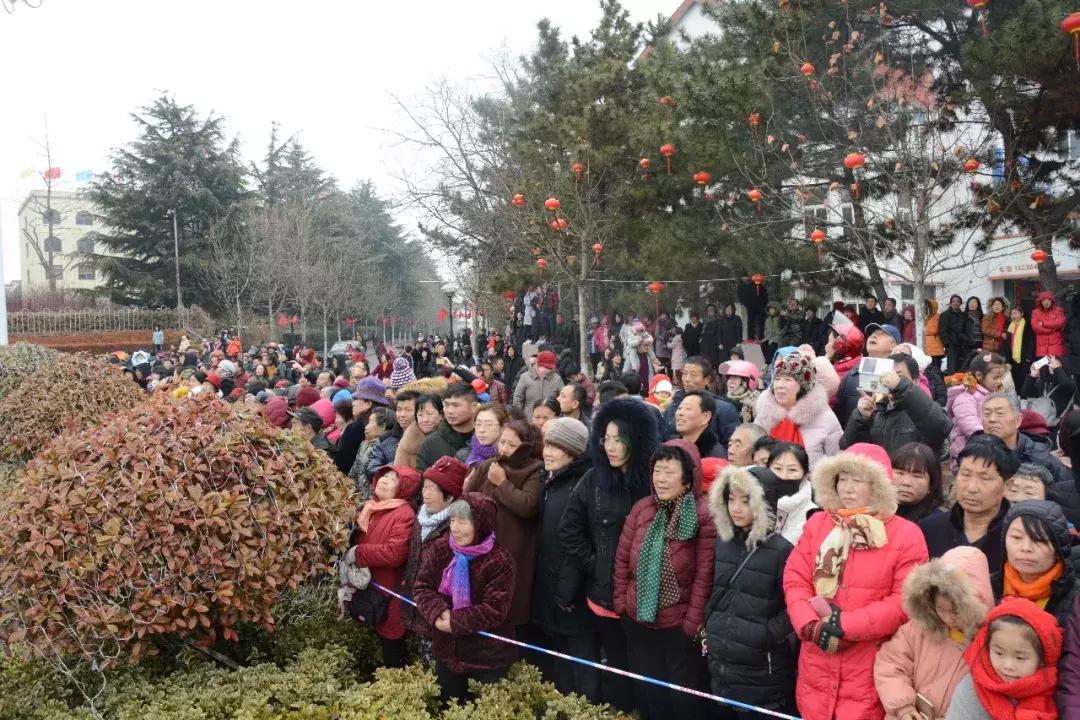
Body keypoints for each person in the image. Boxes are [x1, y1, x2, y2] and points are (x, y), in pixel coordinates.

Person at [783, 443, 929, 720]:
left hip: (868, 662)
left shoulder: (906, 534)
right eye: (842, 479)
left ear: (877, 485)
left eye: (857, 480)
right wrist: (809, 624)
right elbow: (796, 577)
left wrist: (847, 626)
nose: (847, 488)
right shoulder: (819, 524)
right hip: (817, 656)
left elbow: (905, 600)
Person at [557, 397, 660, 711]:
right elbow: (569, 529)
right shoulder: (593, 480)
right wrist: (596, 564)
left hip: (645, 599)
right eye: (606, 439)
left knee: (646, 669)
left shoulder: (656, 482)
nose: (611, 447)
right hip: (603, 596)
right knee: (616, 664)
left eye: (620, 439)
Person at [613, 440, 716, 719]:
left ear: (688, 478)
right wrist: (622, 605)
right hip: (639, 621)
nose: (661, 479)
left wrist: (691, 624)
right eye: (657, 471)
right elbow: (622, 560)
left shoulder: (703, 515)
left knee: (682, 700)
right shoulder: (642, 508)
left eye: (669, 472)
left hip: (678, 626)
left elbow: (704, 576)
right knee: (650, 695)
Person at [705, 465, 796, 718]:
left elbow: (795, 607)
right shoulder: (722, 542)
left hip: (762, 671)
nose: (736, 508)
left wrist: (764, 635)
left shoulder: (782, 551)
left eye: (746, 500)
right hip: (722, 663)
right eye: (731, 499)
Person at [413, 493, 516, 703]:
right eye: (452, 520)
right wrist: (437, 612)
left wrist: (454, 622)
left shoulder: (499, 560)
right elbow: (422, 586)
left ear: (482, 524)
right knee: (449, 707)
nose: (455, 528)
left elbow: (495, 609)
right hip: (447, 652)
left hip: (487, 658)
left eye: (463, 521)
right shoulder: (442, 548)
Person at [874, 547, 993, 720]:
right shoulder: (917, 629)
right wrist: (904, 707)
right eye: (940, 609)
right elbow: (890, 664)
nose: (948, 618)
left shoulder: (990, 643)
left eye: (956, 611)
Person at [529, 417, 598, 700]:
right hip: (552, 586)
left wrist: (567, 590)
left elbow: (577, 544)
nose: (548, 452)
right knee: (559, 658)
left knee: (581, 659)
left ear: (573, 450)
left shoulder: (582, 484)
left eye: (556, 446)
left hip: (573, 593)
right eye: (547, 444)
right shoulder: (554, 480)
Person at [464, 420, 543, 628]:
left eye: (511, 445)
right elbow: (469, 497)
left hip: (513, 548)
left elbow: (528, 505)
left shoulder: (534, 470)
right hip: (481, 545)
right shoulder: (489, 465)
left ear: (525, 447)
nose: (505, 449)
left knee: (507, 604)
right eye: (503, 442)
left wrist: (502, 484)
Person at [347, 464, 419, 668]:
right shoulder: (371, 507)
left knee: (391, 643)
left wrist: (359, 553)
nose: (384, 480)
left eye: (393, 479)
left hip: (389, 592)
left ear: (404, 488)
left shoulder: (404, 514)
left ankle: (395, 687)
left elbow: (394, 553)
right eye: (383, 476)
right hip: (369, 586)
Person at [943, 597, 1061, 720]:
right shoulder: (971, 692)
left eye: (1020, 657)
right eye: (999, 653)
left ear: (1042, 660)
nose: (1008, 665)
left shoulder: (1056, 694)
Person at [919, 435, 1018, 574]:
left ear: (1008, 485)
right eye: (965, 474)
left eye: (985, 478)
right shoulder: (929, 529)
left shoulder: (1018, 537)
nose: (972, 488)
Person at [401, 456, 466, 665]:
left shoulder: (456, 528)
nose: (425, 494)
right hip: (414, 604)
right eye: (425, 487)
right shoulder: (421, 519)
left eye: (433, 489)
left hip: (439, 611)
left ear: (449, 496)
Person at [841, 353, 953, 456]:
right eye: (887, 376)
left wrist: (900, 386)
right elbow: (848, 450)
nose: (891, 380)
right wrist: (860, 418)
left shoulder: (923, 409)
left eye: (899, 376)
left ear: (916, 381)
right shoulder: (874, 412)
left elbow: (941, 428)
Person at [991, 500, 1080, 627]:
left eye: (1039, 540)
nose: (1026, 548)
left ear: (1059, 547)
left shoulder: (1074, 597)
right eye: (1016, 537)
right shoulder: (990, 587)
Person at [754, 349, 842, 468]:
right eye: (777, 379)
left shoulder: (825, 418)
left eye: (787, 380)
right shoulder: (766, 414)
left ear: (802, 387)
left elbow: (836, 462)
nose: (780, 385)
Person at [980, 392, 1071, 488]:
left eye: (1000, 413)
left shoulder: (1040, 457)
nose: (992, 419)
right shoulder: (973, 454)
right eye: (987, 414)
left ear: (1018, 420)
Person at [834, 322, 900, 428]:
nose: (873, 336)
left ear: (894, 346)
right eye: (872, 333)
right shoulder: (851, 376)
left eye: (881, 334)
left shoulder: (900, 379)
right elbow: (839, 417)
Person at [662, 356, 739, 446]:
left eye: (693, 375)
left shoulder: (723, 409)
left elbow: (731, 445)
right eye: (685, 374)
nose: (687, 379)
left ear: (706, 380)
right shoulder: (674, 404)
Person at [946, 352, 1006, 466]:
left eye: (1000, 378)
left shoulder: (993, 396)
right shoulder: (965, 397)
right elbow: (970, 426)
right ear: (979, 375)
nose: (999, 381)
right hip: (967, 455)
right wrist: (991, 437)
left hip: (988, 450)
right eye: (995, 377)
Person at [417, 384, 477, 473]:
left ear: (473, 407)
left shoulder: (485, 440)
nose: (449, 411)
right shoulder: (430, 443)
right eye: (446, 405)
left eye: (455, 405)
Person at [768, 442, 817, 545]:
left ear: (805, 475)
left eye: (792, 470)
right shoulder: (754, 499)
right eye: (777, 468)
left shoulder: (813, 512)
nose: (783, 476)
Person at [890, 442, 946, 524]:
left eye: (916, 476)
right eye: (900, 473)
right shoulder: (875, 514)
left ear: (931, 484)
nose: (906, 482)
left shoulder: (938, 523)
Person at [395, 391, 444, 469]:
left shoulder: (450, 437)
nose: (425, 420)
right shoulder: (407, 442)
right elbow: (400, 474)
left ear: (441, 414)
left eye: (430, 413)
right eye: (420, 415)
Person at [675, 390, 726, 458]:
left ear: (706, 417)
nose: (680, 413)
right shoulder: (673, 448)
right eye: (679, 408)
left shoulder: (714, 455)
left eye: (688, 408)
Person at [512, 350, 564, 416]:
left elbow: (562, 399)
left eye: (551, 368)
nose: (549, 370)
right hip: (530, 419)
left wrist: (559, 417)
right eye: (547, 367)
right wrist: (520, 418)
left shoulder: (557, 379)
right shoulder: (525, 377)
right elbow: (517, 398)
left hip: (551, 420)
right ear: (538, 364)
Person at [458, 403, 507, 470]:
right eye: (478, 424)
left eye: (489, 424)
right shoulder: (463, 456)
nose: (481, 430)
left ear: (503, 427)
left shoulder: (511, 457)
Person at [718, 359, 761, 423]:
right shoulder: (721, 401)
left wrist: (754, 407)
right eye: (729, 378)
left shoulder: (760, 401)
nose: (730, 382)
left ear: (747, 382)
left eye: (735, 377)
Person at [1005, 304, 1037, 392]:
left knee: (1026, 378)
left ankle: (1026, 396)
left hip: (1024, 356)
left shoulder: (1027, 326)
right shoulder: (1010, 325)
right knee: (1015, 378)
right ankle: (1018, 396)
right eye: (1012, 314)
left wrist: (1029, 357)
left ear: (1022, 314)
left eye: (1016, 313)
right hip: (1013, 358)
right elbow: (1008, 344)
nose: (1013, 316)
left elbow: (1031, 343)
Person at [941, 295, 973, 373]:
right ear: (950, 303)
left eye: (957, 301)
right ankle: (951, 384)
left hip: (962, 345)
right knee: (952, 368)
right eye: (953, 301)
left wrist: (966, 339)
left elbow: (966, 329)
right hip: (951, 345)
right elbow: (943, 331)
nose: (955, 303)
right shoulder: (945, 315)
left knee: (962, 368)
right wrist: (947, 343)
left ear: (960, 303)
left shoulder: (963, 315)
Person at [1032, 290, 1066, 359]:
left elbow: (1060, 322)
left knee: (1056, 368)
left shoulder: (1058, 310)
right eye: (1044, 300)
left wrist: (1044, 324)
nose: (1046, 302)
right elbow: (1035, 327)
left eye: (1048, 300)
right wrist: (1051, 330)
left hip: (1056, 345)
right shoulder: (1035, 312)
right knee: (1044, 368)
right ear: (1040, 301)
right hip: (1042, 346)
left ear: (1052, 301)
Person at [924, 298, 945, 368]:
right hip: (926, 346)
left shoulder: (938, 317)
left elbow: (936, 329)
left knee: (935, 367)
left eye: (928, 307)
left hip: (936, 346)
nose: (926, 308)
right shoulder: (924, 317)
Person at [700, 303, 722, 369]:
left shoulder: (718, 319)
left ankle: (718, 376)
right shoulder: (704, 320)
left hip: (714, 343)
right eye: (708, 310)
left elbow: (719, 332)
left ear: (714, 310)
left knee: (715, 361)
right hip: (705, 344)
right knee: (706, 361)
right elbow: (702, 332)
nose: (710, 311)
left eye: (711, 310)